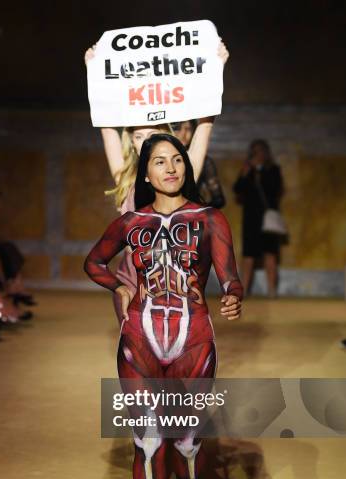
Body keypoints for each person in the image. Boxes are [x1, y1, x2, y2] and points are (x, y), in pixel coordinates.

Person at [84, 133, 243, 479]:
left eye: (177, 160)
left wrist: (232, 297)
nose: (171, 167)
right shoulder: (131, 221)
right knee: (149, 441)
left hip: (194, 342)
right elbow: (93, 262)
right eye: (160, 161)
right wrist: (119, 285)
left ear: (185, 168)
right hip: (139, 342)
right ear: (146, 171)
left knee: (187, 442)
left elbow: (230, 275)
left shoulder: (210, 218)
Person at [84, 41, 230, 322]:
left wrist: (215, 69)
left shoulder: (180, 170)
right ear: (132, 143)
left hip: (179, 276)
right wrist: (95, 73)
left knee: (182, 358)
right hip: (133, 276)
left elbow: (205, 126)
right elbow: (106, 126)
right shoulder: (125, 176)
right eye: (139, 136)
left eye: (152, 133)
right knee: (138, 356)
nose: (146, 141)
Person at [233, 139, 284, 298]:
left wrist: (260, 172)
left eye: (261, 151)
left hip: (268, 219)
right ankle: (244, 290)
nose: (258, 154)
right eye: (255, 151)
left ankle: (271, 291)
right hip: (251, 218)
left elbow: (276, 189)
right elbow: (237, 189)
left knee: (270, 254)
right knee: (248, 255)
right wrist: (246, 173)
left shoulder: (273, 170)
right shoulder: (247, 169)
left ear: (266, 153)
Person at [173, 119, 226, 209]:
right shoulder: (158, 159)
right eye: (178, 129)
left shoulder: (204, 161)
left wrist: (197, 210)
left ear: (194, 131)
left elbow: (219, 200)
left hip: (190, 218)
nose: (183, 134)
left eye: (188, 129)